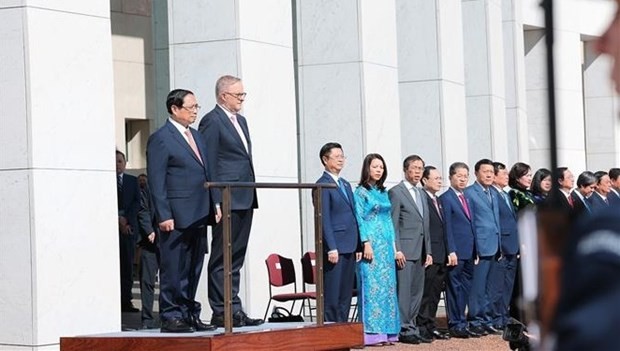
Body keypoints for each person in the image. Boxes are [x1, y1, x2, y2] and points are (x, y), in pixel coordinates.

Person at [147, 88, 218, 333]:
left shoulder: (197, 137)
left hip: (199, 213)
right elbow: (157, 181)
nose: (195, 112)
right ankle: (171, 315)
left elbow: (208, 173)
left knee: (193, 266)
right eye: (191, 108)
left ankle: (189, 313)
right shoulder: (161, 138)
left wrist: (215, 203)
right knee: (173, 267)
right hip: (175, 216)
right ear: (174, 109)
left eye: (197, 107)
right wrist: (164, 214)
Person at [198, 75, 263, 328]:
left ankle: (234, 307)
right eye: (239, 95)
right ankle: (220, 309)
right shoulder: (212, 121)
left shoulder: (241, 121)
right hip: (226, 197)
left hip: (245, 195)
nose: (242, 99)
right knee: (222, 256)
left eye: (243, 95)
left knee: (236, 256)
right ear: (223, 95)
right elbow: (210, 163)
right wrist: (214, 200)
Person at [352, 153, 400, 346]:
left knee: (388, 288)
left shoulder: (383, 193)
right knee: (372, 288)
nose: (378, 170)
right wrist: (365, 243)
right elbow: (359, 218)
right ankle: (371, 333)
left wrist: (395, 248)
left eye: (381, 167)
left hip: (386, 246)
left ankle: (388, 331)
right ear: (367, 169)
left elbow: (389, 222)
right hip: (371, 245)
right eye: (375, 167)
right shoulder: (360, 192)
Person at [389, 155, 433, 344]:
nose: (417, 172)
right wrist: (396, 249)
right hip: (405, 251)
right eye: (414, 168)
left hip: (421, 251)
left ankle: (412, 325)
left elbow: (426, 225)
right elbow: (393, 224)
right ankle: (403, 328)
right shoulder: (396, 192)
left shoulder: (422, 193)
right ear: (405, 170)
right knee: (404, 292)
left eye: (420, 168)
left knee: (416, 292)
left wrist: (428, 251)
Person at [315, 142, 360, 322]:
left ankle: (343, 330)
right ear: (325, 160)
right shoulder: (322, 185)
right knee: (333, 293)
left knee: (345, 293)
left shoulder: (345, 184)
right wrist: (331, 247)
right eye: (337, 156)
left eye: (343, 156)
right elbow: (323, 218)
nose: (341, 160)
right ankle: (331, 330)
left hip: (349, 245)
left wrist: (357, 245)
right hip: (335, 248)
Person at [464, 159, 502, 336]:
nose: (489, 175)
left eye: (491, 172)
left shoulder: (493, 192)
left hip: (494, 245)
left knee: (489, 287)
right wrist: (475, 248)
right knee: (477, 288)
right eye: (485, 171)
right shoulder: (470, 193)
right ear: (476, 173)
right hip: (480, 246)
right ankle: (475, 320)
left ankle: (486, 319)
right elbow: (470, 223)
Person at [439, 162, 477, 338]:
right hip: (456, 252)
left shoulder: (467, 197)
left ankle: (462, 320)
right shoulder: (446, 198)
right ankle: (455, 323)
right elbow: (447, 227)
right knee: (454, 288)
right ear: (451, 177)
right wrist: (451, 250)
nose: (462, 179)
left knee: (466, 288)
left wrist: (476, 249)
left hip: (469, 251)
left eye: (465, 176)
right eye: (459, 176)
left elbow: (472, 224)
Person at [417, 166, 451, 341]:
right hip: (429, 253)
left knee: (435, 293)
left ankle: (431, 326)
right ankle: (421, 326)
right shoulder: (421, 199)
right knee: (425, 293)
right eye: (436, 178)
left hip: (441, 253)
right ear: (425, 180)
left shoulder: (438, 200)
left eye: (440, 178)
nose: (440, 181)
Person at [490, 162, 519, 330]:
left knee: (508, 284)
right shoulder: (492, 194)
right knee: (498, 285)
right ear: (494, 176)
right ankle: (496, 317)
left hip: (512, 245)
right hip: (501, 246)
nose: (507, 177)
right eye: (503, 174)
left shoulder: (505, 194)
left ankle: (503, 315)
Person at [116, 150, 141, 313]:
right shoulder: (103, 180)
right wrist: (117, 219)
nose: (117, 164)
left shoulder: (132, 181)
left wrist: (127, 221)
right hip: (112, 228)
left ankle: (126, 300)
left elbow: (136, 203)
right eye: (115, 161)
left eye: (120, 161)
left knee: (127, 266)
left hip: (128, 229)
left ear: (125, 163)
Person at [136, 175, 160, 329]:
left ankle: (167, 316)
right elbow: (142, 210)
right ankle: (147, 319)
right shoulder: (149, 188)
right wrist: (149, 230)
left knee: (169, 282)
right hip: (150, 241)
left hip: (170, 242)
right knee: (147, 281)